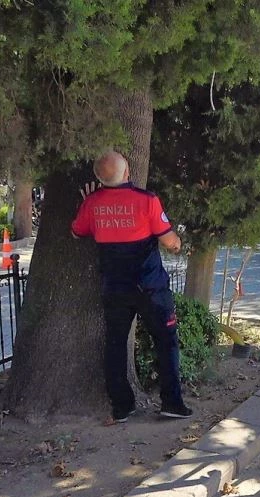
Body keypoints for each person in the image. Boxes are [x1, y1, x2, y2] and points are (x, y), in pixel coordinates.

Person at [71, 150, 192, 422]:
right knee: (166, 342)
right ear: (127, 173)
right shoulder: (147, 200)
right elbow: (170, 241)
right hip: (151, 288)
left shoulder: (92, 203)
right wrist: (177, 242)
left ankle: (122, 407)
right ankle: (172, 403)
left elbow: (77, 232)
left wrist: (90, 203)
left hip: (115, 289)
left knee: (115, 345)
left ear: (99, 178)